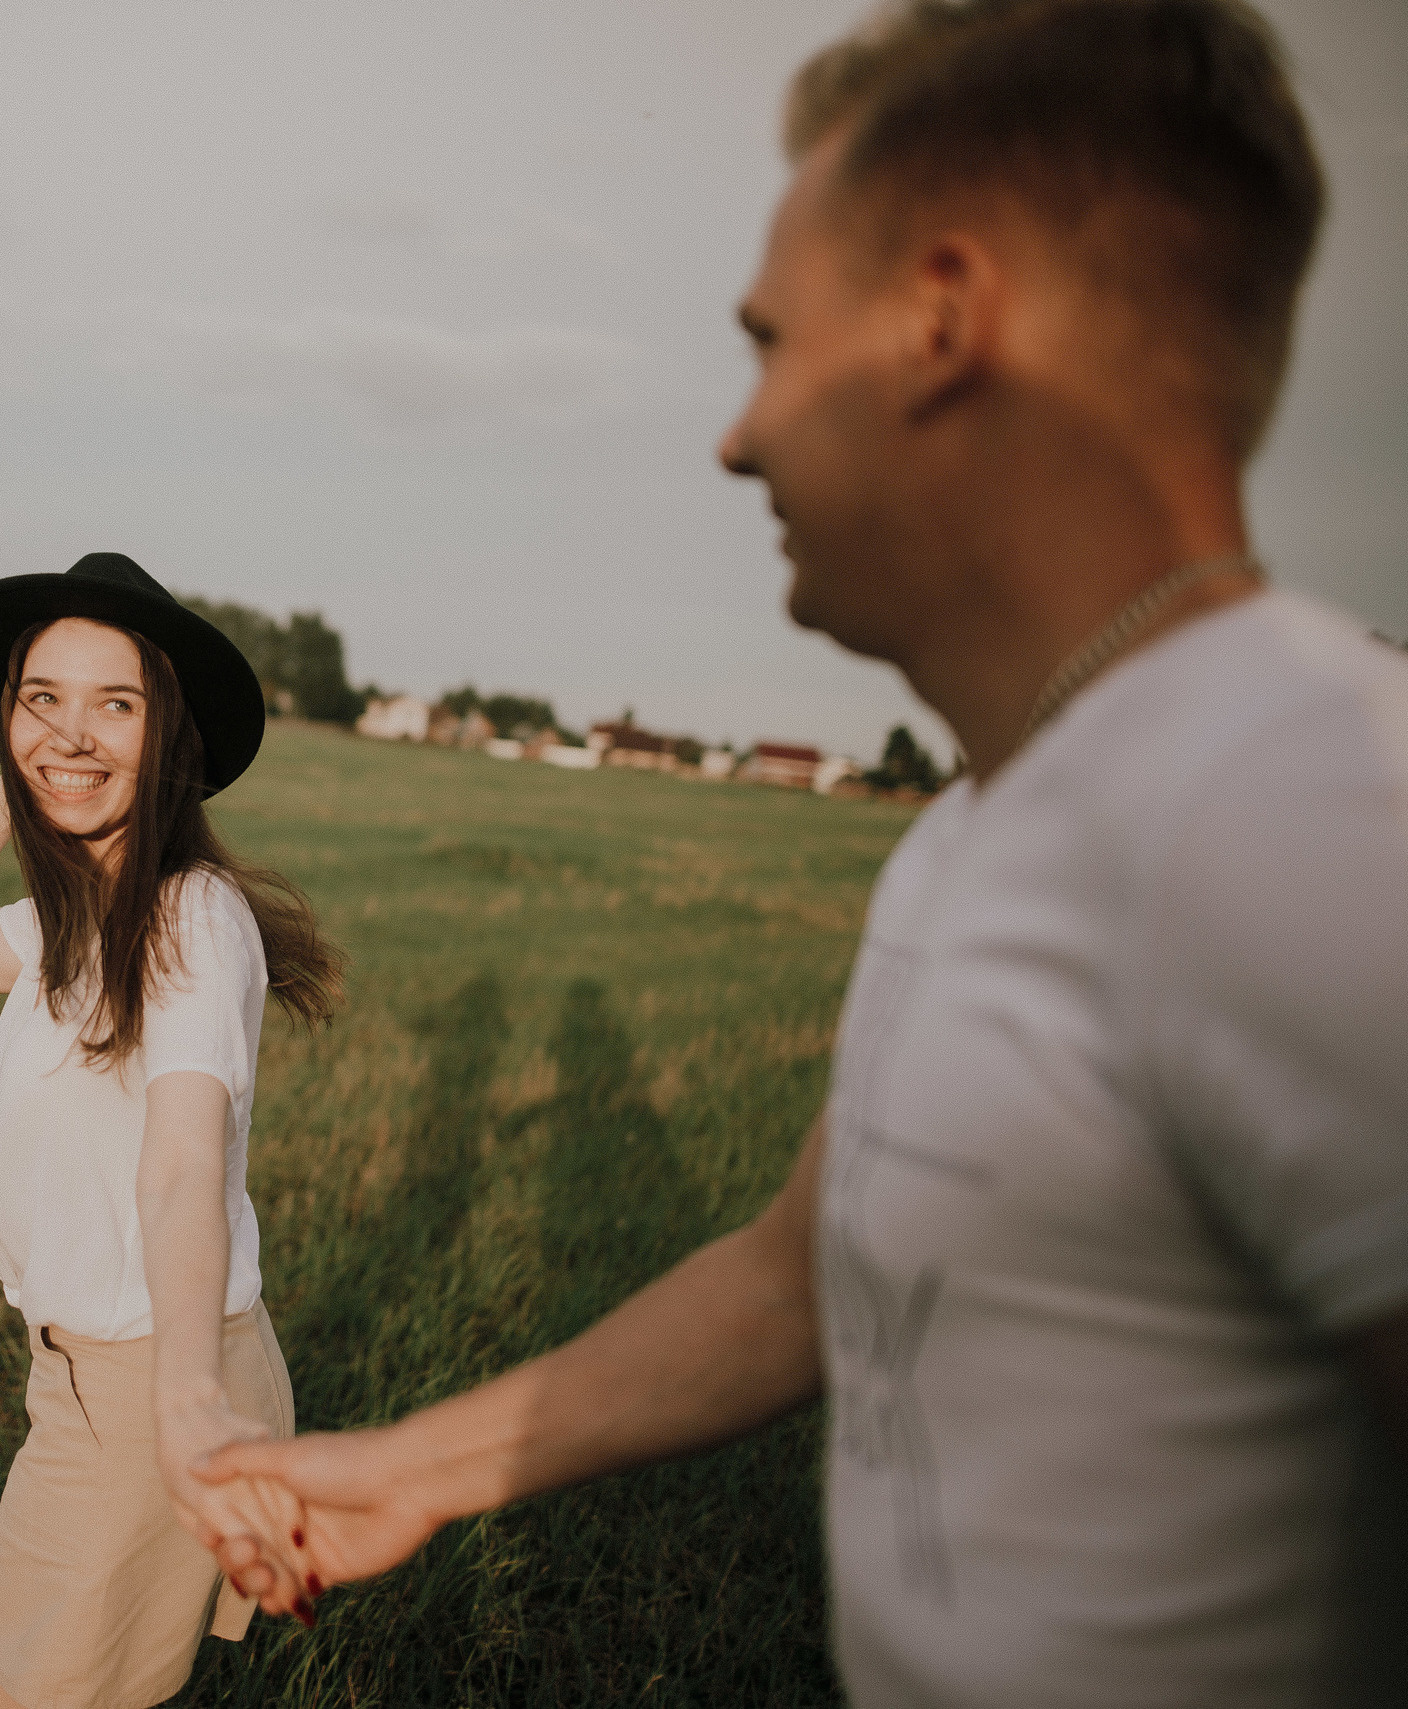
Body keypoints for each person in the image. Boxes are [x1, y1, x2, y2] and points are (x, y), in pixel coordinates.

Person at [191, 2, 1408, 1703]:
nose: (736, 432)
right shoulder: (986, 822)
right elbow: (798, 1273)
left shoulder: (1305, 810)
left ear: (942, 320)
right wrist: (413, 1470)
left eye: (769, 340)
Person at [0, 551, 345, 1709]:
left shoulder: (189, 918)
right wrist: (25, 771)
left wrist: (184, 1398)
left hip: (149, 1385)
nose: (73, 732)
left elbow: (181, 1163)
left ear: (170, 738)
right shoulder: (64, 923)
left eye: (113, 706)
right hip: (83, 1380)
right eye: (44, 698)